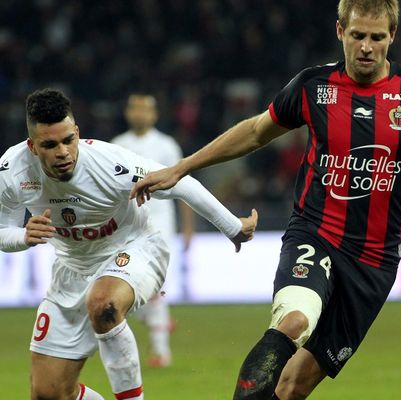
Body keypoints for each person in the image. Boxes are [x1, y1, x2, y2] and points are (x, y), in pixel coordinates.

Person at [130, 1, 401, 398]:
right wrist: (184, 165)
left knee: (294, 386)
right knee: (294, 320)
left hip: (374, 263)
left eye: (377, 37)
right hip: (315, 234)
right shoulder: (313, 87)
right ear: (340, 30)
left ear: (392, 36)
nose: (366, 47)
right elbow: (255, 131)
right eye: (358, 35)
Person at [0, 88, 258, 400]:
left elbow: (183, 184)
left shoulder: (111, 164)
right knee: (49, 393)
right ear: (32, 146)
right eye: (50, 145)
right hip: (71, 270)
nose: (63, 152)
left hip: (135, 247)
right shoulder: (12, 171)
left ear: (77, 132)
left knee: (103, 303)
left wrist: (233, 227)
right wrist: (23, 237)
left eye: (69, 140)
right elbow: (3, 230)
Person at [111, 93, 194, 368]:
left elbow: (184, 186)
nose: (140, 114)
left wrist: (188, 226)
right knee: (130, 284)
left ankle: (161, 351)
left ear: (154, 114)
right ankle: (157, 320)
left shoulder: (166, 145)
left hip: (161, 224)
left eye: (145, 109)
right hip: (127, 225)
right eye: (135, 108)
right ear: (127, 113)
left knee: (156, 286)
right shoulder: (117, 145)